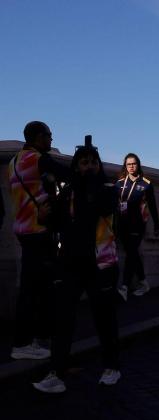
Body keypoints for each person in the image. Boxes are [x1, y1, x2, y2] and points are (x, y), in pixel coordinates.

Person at [33, 140, 121, 393]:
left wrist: (77, 181)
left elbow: (99, 207)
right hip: (71, 263)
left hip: (100, 264)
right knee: (63, 319)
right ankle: (56, 371)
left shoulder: (106, 189)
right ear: (76, 166)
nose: (90, 167)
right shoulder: (68, 193)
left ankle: (111, 366)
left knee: (104, 317)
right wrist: (44, 218)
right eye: (84, 163)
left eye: (94, 162)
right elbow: (59, 225)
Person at [7, 121, 68, 361]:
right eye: (49, 136)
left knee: (36, 286)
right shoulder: (38, 159)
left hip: (23, 229)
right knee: (35, 288)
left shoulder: (12, 163)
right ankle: (23, 343)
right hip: (39, 230)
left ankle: (37, 337)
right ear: (38, 137)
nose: (51, 140)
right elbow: (69, 173)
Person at [116, 153, 159, 300]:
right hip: (122, 224)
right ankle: (143, 282)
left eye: (134, 164)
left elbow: (153, 206)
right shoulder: (120, 183)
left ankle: (124, 287)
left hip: (138, 224)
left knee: (131, 253)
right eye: (128, 164)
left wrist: (157, 226)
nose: (131, 167)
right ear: (125, 166)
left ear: (138, 164)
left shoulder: (146, 184)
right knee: (132, 253)